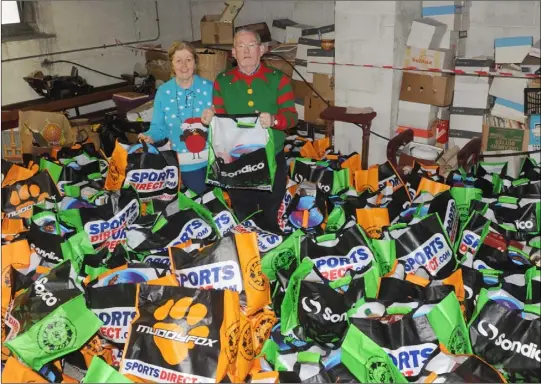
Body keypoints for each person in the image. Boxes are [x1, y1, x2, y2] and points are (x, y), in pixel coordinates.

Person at [201, 29, 298, 232]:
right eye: (240, 46)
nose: (246, 51)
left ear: (262, 50)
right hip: (236, 161)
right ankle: (248, 256)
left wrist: (274, 120)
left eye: (251, 45)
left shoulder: (278, 79)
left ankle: (271, 250)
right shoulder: (222, 81)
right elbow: (219, 113)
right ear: (233, 52)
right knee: (243, 213)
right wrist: (211, 115)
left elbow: (291, 116)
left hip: (271, 158)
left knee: (271, 211)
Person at [139, 41, 213, 194]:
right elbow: (159, 128)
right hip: (182, 165)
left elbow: (222, 120)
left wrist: (215, 114)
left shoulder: (209, 87)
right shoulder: (163, 92)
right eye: (178, 60)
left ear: (195, 62)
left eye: (188, 59)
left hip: (213, 162)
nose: (184, 66)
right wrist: (149, 136)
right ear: (171, 64)